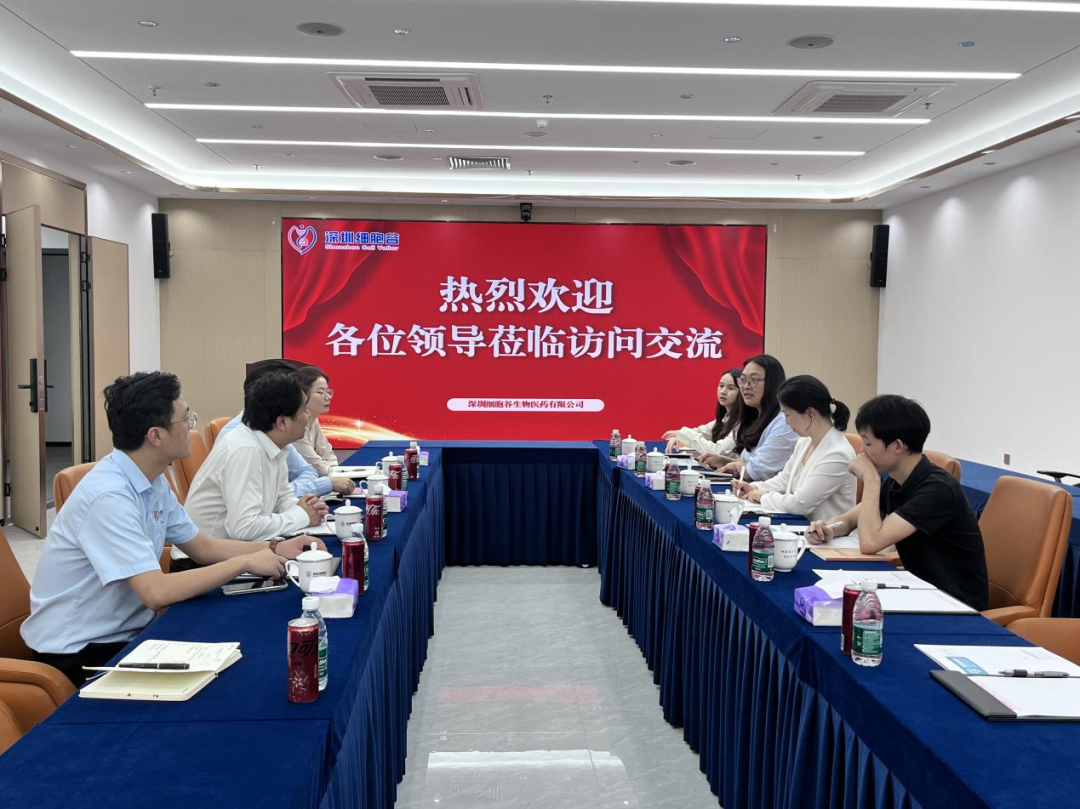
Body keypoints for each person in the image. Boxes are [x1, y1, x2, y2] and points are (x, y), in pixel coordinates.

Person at [20, 372, 322, 686]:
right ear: (156, 435)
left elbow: (202, 547)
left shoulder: (152, 480)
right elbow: (156, 592)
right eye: (185, 418)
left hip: (131, 632)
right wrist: (244, 561)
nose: (191, 426)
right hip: (81, 652)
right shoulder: (109, 497)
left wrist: (275, 547)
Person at [808, 395, 988, 610]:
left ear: (898, 446)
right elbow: (849, 520)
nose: (861, 452)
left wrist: (871, 480)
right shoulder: (897, 481)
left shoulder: (937, 488)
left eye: (868, 443)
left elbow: (870, 543)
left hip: (954, 603)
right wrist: (827, 529)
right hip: (920, 591)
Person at [184, 371, 330, 542]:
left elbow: (281, 499)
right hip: (208, 555)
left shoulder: (272, 442)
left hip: (237, 548)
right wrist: (301, 516)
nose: (308, 417)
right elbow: (244, 528)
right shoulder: (245, 450)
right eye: (304, 411)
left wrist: (307, 508)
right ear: (282, 422)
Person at [219, 360, 354, 498]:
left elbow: (306, 471)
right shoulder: (242, 445)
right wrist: (325, 484)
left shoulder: (273, 428)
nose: (306, 412)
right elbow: (265, 498)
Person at [731, 375, 856, 522]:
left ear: (810, 413)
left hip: (824, 532)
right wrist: (755, 488)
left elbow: (800, 504)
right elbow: (785, 479)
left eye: (787, 414)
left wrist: (763, 497)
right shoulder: (805, 441)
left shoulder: (837, 454)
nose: (786, 422)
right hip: (799, 525)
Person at [701, 354, 797, 482]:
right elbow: (750, 463)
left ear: (772, 383)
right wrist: (724, 461)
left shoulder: (784, 422)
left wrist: (734, 465)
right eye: (743, 380)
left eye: (754, 379)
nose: (746, 386)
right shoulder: (756, 417)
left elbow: (758, 471)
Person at [662, 367, 743, 458]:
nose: (723, 391)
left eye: (730, 388)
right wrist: (680, 436)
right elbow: (701, 432)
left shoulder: (743, 422)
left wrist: (683, 434)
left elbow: (718, 451)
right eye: (721, 386)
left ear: (742, 392)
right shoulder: (725, 418)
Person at [293, 365, 339, 477]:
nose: (328, 397)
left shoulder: (314, 420)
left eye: (328, 391)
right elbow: (318, 469)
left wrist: (330, 468)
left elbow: (329, 455)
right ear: (302, 395)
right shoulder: (293, 425)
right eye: (320, 392)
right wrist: (327, 468)